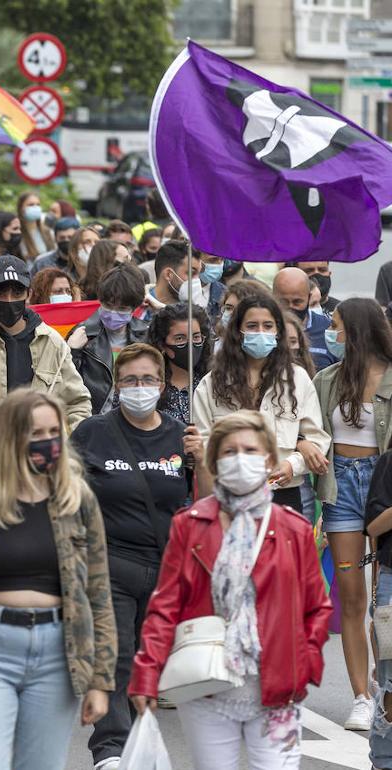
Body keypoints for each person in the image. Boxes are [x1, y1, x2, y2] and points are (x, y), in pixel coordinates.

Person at [129, 410, 331, 770]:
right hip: (206, 686)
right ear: (214, 461)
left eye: (251, 451)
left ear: (269, 458)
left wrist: (306, 662)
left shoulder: (293, 529)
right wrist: (146, 673)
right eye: (229, 451)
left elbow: (317, 607)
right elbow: (165, 607)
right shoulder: (189, 525)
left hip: (279, 689)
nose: (241, 459)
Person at [0, 389, 115, 770]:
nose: (48, 442)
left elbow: (98, 592)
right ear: (12, 438)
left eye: (54, 432)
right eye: (36, 433)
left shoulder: (78, 500)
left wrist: (100, 679)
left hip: (57, 652)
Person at [71, 343, 200, 769]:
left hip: (164, 567)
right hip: (109, 563)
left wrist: (204, 461)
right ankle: (109, 751)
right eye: (129, 380)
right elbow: (65, 494)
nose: (138, 387)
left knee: (149, 663)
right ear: (116, 384)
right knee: (116, 654)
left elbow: (206, 502)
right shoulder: (92, 432)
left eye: (147, 380)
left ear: (162, 385)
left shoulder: (182, 435)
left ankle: (140, 749)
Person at [314, 297, 392, 730]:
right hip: (340, 486)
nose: (332, 331)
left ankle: (386, 685)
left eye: (338, 325)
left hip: (383, 489)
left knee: (386, 596)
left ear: (357, 330)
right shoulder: (327, 378)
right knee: (351, 594)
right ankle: (361, 695)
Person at [0, 254, 91, 476]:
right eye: (0, 292)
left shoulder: (52, 341)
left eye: (17, 292)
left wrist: (63, 446)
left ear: (28, 295)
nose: (9, 299)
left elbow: (78, 403)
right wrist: (24, 419)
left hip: (45, 469)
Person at [193, 295, 329, 510]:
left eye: (268, 326)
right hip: (228, 494)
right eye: (252, 326)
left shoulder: (297, 378)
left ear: (278, 331)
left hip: (283, 492)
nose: (260, 332)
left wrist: (291, 465)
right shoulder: (211, 383)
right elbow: (203, 439)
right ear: (238, 331)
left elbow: (317, 438)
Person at [68, 263, 150, 414]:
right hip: (93, 418)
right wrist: (72, 352)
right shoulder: (82, 335)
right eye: (108, 305)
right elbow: (66, 385)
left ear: (134, 308)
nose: (113, 312)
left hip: (135, 417)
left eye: (122, 309)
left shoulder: (146, 334)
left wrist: (162, 309)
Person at [146, 302, 211, 425]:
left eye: (196, 337)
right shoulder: (147, 384)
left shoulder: (213, 381)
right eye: (180, 338)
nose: (190, 345)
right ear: (162, 344)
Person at [273, 265, 338, 372]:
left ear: (308, 298)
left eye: (297, 302)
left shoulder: (328, 330)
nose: (290, 307)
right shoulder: (264, 330)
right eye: (283, 302)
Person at [146, 240, 205, 321]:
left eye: (199, 274)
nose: (197, 280)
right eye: (192, 273)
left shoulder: (195, 313)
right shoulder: (138, 309)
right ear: (168, 274)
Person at [16, 191, 54, 261]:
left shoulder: (47, 232)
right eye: (31, 205)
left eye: (38, 204)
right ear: (21, 208)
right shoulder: (16, 233)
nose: (35, 207)